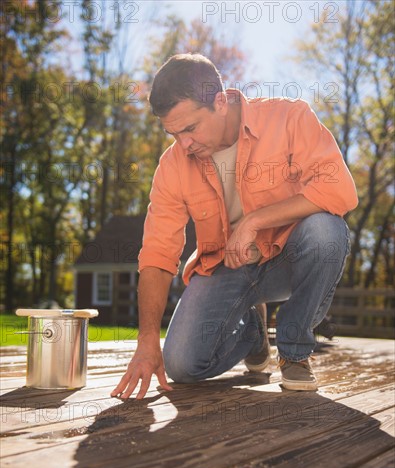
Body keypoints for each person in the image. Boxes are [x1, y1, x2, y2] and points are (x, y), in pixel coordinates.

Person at [111, 53, 358, 400]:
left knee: (327, 230)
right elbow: (157, 253)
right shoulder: (172, 166)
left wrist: (256, 220)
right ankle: (253, 334)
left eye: (190, 129)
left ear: (221, 102)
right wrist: (147, 339)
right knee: (181, 366)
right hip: (224, 267)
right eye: (173, 133)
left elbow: (340, 191)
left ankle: (294, 349)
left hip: (288, 259)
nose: (184, 144)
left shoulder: (289, 118)